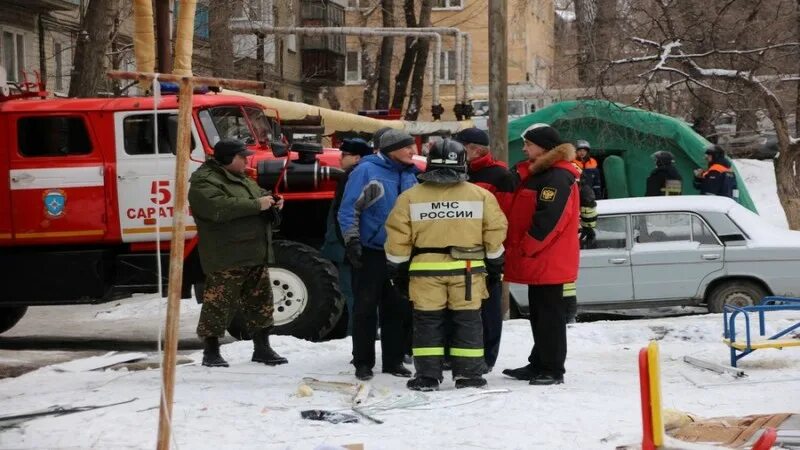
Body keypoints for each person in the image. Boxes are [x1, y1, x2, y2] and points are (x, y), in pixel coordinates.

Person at [384, 139, 507, 391]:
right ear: (463, 164)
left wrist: (398, 272)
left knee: (428, 322)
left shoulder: (410, 198)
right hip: (469, 271)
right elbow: (494, 234)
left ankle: (428, 376)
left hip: (424, 273)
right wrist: (495, 267)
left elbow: (397, 239)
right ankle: (469, 375)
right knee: (468, 321)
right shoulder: (481, 196)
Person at [188, 139, 287, 368]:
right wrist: (257, 205)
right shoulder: (204, 182)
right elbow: (217, 208)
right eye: (241, 156)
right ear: (226, 159)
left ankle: (262, 348)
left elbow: (256, 194)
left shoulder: (239, 177)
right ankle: (211, 352)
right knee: (219, 303)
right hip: (227, 255)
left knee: (261, 302)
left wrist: (272, 200)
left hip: (253, 252)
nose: (246, 160)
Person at [502, 124, 580, 386]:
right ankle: (540, 362)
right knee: (539, 313)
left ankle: (552, 368)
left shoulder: (556, 177)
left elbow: (550, 220)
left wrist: (527, 247)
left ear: (544, 147)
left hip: (546, 258)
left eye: (528, 144)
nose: (524, 149)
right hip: (541, 259)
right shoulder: (542, 173)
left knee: (549, 316)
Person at [338, 129, 419, 381]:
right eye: (408, 147)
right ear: (392, 149)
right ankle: (363, 362)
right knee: (365, 308)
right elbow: (349, 209)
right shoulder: (366, 171)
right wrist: (352, 242)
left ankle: (394, 361)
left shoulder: (411, 174)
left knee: (397, 308)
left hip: (401, 252)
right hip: (370, 251)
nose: (413, 151)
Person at [454, 127, 516, 372]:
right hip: (458, 251)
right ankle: (461, 354)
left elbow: (505, 217)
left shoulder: (499, 175)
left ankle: (487, 357)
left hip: (487, 252)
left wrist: (497, 253)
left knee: (488, 307)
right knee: (462, 306)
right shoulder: (457, 173)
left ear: (474, 148)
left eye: (460, 147)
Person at [320, 138, 374, 335]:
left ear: (357, 157)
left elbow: (344, 214)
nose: (340, 159)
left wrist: (345, 245)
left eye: (344, 155)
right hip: (361, 245)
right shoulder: (370, 174)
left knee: (353, 293)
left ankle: (357, 336)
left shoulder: (352, 177)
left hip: (348, 248)